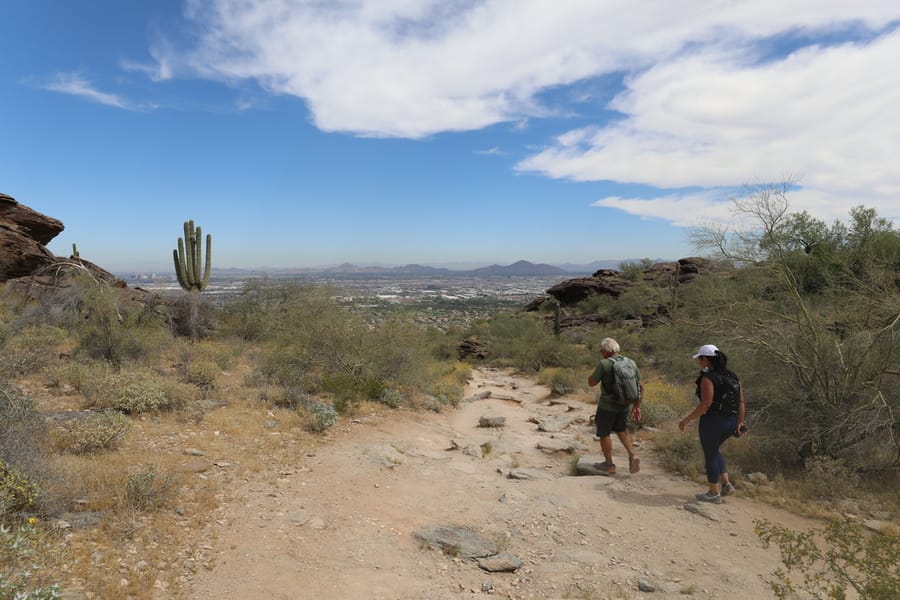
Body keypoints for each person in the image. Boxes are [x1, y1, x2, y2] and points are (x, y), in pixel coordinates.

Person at [678, 344, 746, 504]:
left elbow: (705, 405)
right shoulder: (733, 376)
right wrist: (740, 421)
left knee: (710, 455)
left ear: (706, 359)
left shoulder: (708, 378)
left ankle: (713, 492)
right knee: (714, 450)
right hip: (731, 421)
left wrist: (686, 420)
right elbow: (741, 401)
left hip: (713, 422)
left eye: (700, 359)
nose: (699, 362)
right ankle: (726, 484)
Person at [588, 337, 642, 475]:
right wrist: (637, 406)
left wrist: (591, 376)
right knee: (622, 430)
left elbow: (592, 383)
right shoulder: (630, 362)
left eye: (601, 351)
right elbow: (640, 386)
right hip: (624, 405)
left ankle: (609, 464)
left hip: (607, 406)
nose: (601, 353)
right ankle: (632, 455)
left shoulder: (604, 364)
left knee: (604, 433)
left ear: (605, 351)